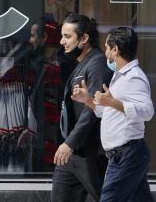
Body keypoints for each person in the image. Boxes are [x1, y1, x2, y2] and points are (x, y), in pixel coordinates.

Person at [71, 27, 154, 202]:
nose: (105, 52)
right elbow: (108, 111)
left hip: (128, 154)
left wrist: (112, 102)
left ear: (115, 50)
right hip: (124, 155)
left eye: (107, 48)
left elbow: (147, 111)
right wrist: (88, 100)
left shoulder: (134, 77)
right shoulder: (120, 76)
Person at [52, 14, 111, 202]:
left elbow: (92, 109)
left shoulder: (98, 63)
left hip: (91, 152)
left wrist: (69, 143)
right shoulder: (82, 63)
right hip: (74, 152)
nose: (62, 41)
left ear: (84, 38)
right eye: (62, 36)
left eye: (67, 36)